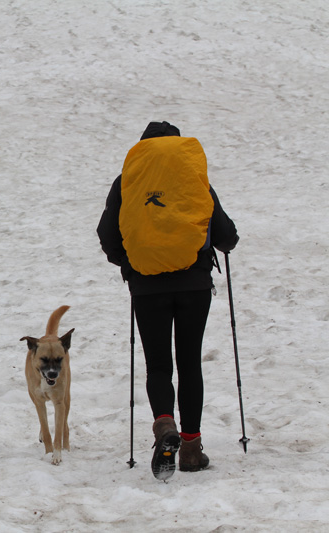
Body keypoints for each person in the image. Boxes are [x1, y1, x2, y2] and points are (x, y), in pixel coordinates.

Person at [97, 121, 239, 479]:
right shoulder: (193, 177)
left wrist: (130, 265)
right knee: (190, 362)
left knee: (158, 365)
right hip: (193, 284)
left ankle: (164, 424)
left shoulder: (127, 180)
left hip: (147, 287)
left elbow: (107, 234)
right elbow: (225, 235)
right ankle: (191, 449)